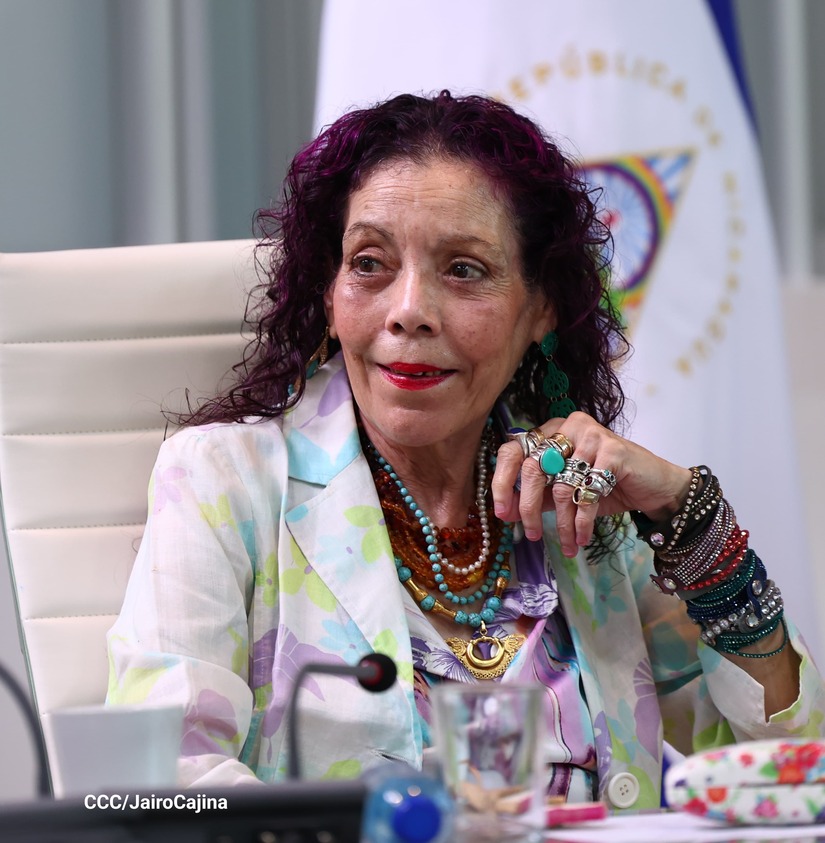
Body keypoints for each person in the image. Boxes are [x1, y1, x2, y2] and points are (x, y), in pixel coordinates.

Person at [106, 91, 824, 806]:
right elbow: (166, 786)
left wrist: (689, 518)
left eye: (464, 269)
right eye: (369, 262)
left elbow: (787, 770)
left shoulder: (581, 502)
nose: (409, 311)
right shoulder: (224, 481)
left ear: (539, 308)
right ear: (328, 293)